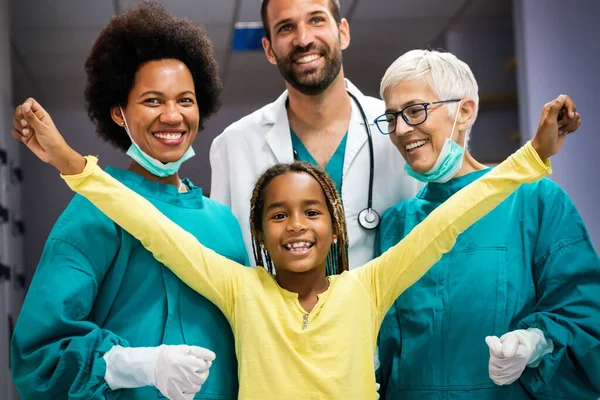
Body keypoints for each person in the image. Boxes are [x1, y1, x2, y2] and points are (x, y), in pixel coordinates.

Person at [12, 91, 577, 399]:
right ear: (258, 232)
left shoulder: (371, 285)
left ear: (335, 225)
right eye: (277, 215)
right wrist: (69, 162)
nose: (296, 226)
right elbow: (151, 227)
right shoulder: (239, 288)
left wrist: (532, 157)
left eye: (311, 212)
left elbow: (451, 218)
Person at [10, 3, 247, 400]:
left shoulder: (225, 223)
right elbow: (38, 355)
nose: (172, 115)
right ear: (119, 113)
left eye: (185, 100)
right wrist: (137, 365)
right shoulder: (95, 209)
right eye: (153, 100)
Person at [374, 49, 599, 399]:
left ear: (464, 112)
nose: (401, 130)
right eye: (391, 118)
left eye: (415, 111)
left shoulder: (534, 201)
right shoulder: (396, 224)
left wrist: (535, 342)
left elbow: (584, 316)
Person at [209, 0, 419, 269]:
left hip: (384, 311)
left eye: (316, 20)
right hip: (276, 311)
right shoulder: (234, 145)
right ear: (269, 49)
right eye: (286, 27)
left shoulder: (397, 129)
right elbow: (225, 266)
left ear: (343, 32)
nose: (303, 39)